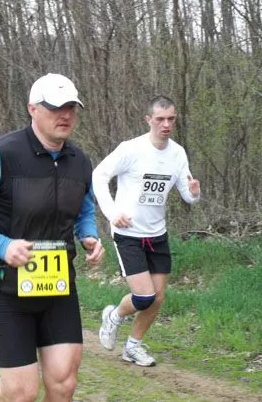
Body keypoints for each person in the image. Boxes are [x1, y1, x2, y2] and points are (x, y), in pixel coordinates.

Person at [0, 73, 105, 402]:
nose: (66, 115)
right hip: (8, 287)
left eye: (71, 107)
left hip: (58, 285)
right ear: (33, 109)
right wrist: (3, 246)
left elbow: (84, 208)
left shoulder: (80, 161)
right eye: (56, 107)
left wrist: (89, 235)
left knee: (63, 383)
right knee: (21, 394)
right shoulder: (0, 156)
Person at [93, 95, 200, 367]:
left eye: (171, 119)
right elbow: (99, 176)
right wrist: (112, 213)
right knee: (144, 297)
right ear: (148, 120)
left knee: (158, 298)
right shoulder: (131, 149)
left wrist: (194, 193)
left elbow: (188, 196)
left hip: (157, 234)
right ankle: (114, 316)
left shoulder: (177, 153)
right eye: (160, 119)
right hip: (128, 233)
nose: (166, 124)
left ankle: (133, 346)